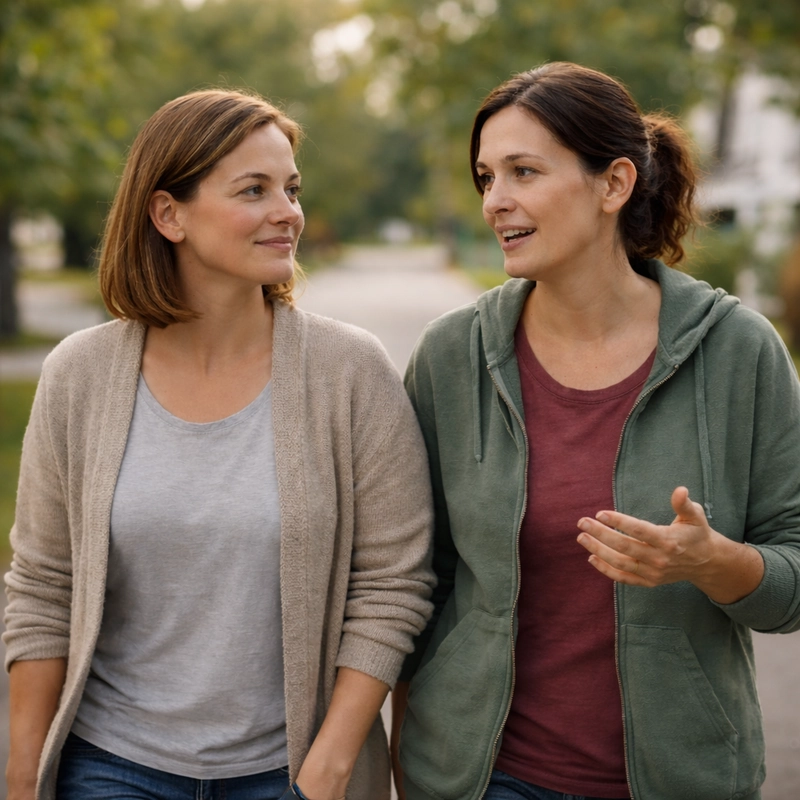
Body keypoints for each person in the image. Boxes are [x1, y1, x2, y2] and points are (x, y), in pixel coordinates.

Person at [4, 89, 435, 800]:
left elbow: (393, 583)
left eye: (292, 189)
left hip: (290, 773)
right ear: (168, 215)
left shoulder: (350, 371)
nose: (288, 212)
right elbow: (44, 586)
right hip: (111, 766)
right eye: (254, 190)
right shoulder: (79, 375)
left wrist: (327, 770)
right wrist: (24, 777)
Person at [391, 62, 800, 800]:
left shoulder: (739, 351)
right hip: (483, 779)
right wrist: (407, 758)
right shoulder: (452, 356)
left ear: (614, 184)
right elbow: (418, 580)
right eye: (486, 176)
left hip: (683, 781)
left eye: (523, 171)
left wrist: (716, 563)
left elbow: (792, 584)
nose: (495, 200)